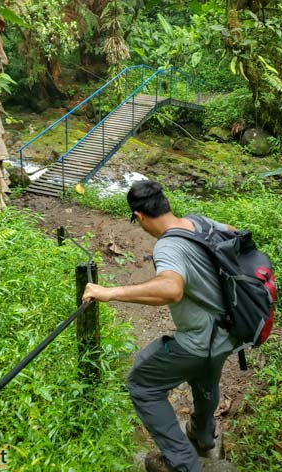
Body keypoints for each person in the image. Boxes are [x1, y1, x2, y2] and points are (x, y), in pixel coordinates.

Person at [82, 179, 237, 472]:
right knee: (205, 378)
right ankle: (204, 436)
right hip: (228, 332)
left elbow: (170, 289)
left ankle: (184, 464)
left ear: (139, 216)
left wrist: (110, 292)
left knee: (142, 384)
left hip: (199, 340)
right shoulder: (199, 222)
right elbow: (234, 233)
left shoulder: (168, 246)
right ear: (165, 203)